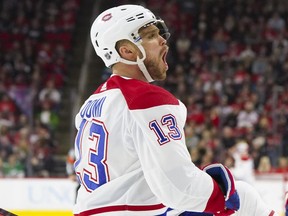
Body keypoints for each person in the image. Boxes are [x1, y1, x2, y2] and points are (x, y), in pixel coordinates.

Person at [73, 4, 278, 216]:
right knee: (244, 199)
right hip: (133, 212)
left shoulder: (92, 102)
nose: (163, 40)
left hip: (96, 210)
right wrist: (222, 195)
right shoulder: (145, 98)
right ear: (126, 51)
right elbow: (178, 186)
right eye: (151, 35)